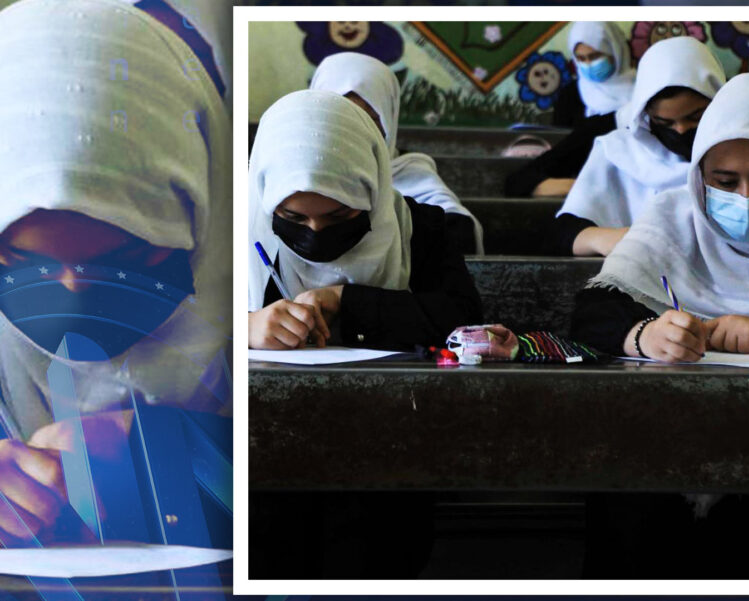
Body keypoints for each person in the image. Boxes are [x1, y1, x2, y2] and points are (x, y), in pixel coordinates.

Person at [0, 0, 231, 561]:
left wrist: (166, 446)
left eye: (126, 259)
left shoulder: (267, 298)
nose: (74, 298)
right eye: (19, 262)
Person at [572, 73, 749, 361]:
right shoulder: (671, 218)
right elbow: (592, 313)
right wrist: (645, 336)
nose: (746, 198)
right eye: (725, 183)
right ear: (700, 181)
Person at [247, 89, 482, 351]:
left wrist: (344, 299)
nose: (315, 231)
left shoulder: (420, 227)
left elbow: (466, 321)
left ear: (373, 190)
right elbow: (198, 319)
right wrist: (247, 326)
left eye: (340, 215)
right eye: (293, 217)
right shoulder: (241, 235)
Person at [548, 36, 725, 257]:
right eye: (664, 123)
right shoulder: (617, 153)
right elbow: (564, 231)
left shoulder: (740, 150)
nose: (680, 130)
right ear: (645, 115)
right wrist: (608, 239)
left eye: (695, 117)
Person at [310, 52, 484, 255]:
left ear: (389, 122)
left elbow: (459, 231)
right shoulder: (299, 177)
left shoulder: (410, 174)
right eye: (343, 115)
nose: (357, 130)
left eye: (372, 118)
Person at [504, 21, 635, 198]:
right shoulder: (573, 96)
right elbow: (563, 149)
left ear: (615, 51)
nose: (588, 64)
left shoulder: (644, 93)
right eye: (581, 58)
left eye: (595, 56)